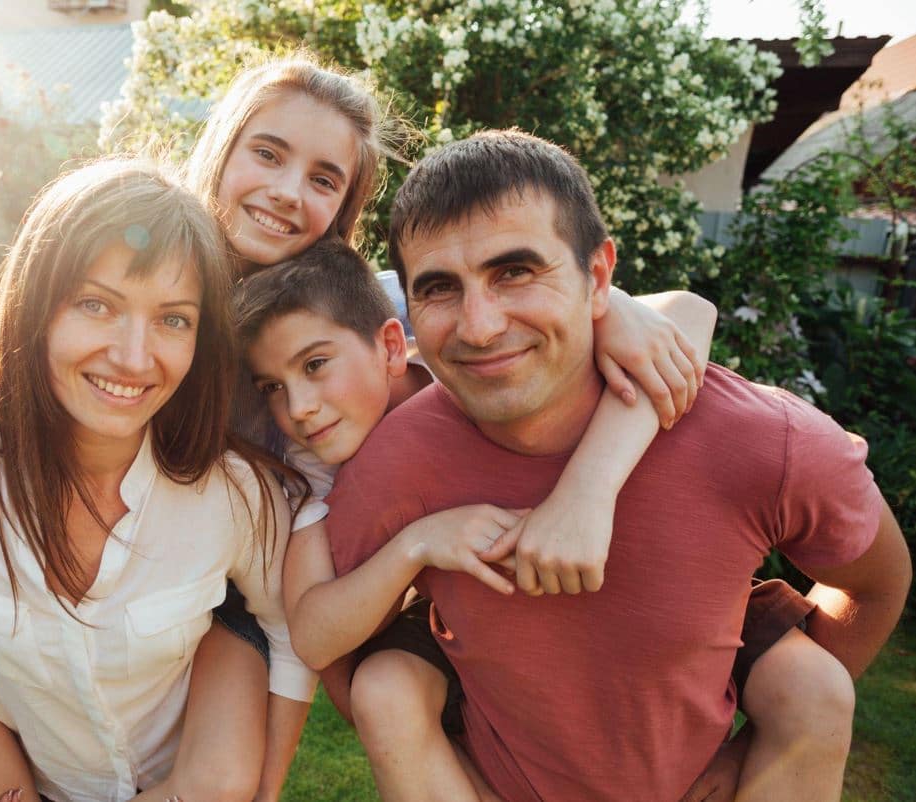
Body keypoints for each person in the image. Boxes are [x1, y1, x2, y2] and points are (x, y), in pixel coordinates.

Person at [0, 57, 709, 800]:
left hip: (261, 585)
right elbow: (36, 371)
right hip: (170, 578)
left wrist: (622, 315)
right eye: (268, 153)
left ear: (342, 210)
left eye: (324, 178)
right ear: (220, 150)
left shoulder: (333, 304)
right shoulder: (139, 266)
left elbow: (687, 312)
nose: (288, 191)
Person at [319, 129, 911, 801]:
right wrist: (445, 772)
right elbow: (324, 636)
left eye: (514, 271)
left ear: (598, 276)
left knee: (813, 683)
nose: (478, 325)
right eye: (438, 288)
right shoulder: (395, 461)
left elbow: (876, 581)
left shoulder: (757, 438)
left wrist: (760, 752)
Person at [236, 239, 868, 801]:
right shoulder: (312, 466)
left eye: (315, 366)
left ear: (394, 346)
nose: (299, 407)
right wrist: (419, 544)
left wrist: (586, 487)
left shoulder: (466, 354)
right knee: (390, 685)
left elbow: (688, 311)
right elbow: (316, 636)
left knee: (811, 683)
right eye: (272, 387)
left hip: (657, 569)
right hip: (475, 608)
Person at [0, 158, 312, 802]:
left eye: (173, 319)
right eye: (96, 304)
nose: (134, 358)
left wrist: (264, 791)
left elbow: (286, 633)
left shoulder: (233, 497)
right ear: (35, 310)